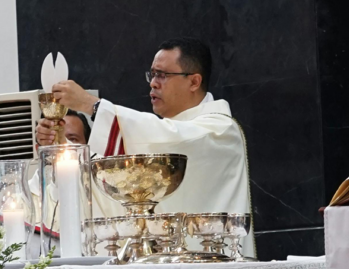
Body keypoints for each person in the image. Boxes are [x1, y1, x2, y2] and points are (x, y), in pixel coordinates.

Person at [36, 37, 254, 257]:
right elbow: (111, 181)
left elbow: (174, 139)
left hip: (211, 268)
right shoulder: (155, 131)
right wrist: (62, 144)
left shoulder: (220, 130)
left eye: (163, 75)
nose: (153, 83)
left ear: (194, 82)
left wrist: (90, 105)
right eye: (152, 74)